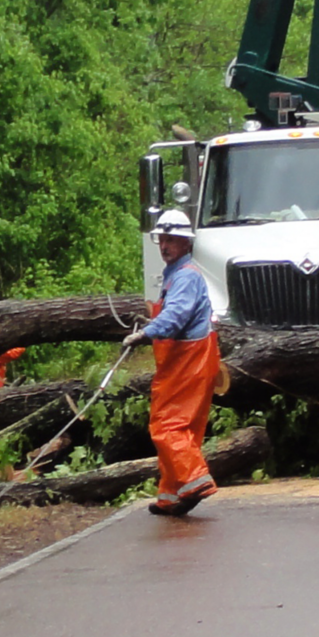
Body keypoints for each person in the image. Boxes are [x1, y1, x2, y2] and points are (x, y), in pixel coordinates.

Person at [125, 209, 220, 518]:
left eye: (171, 240)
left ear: (185, 244)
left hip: (187, 361)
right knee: (182, 428)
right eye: (162, 240)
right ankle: (172, 495)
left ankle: (193, 480)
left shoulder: (186, 277)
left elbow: (176, 316)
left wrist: (145, 334)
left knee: (167, 425)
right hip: (184, 362)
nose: (164, 246)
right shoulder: (176, 275)